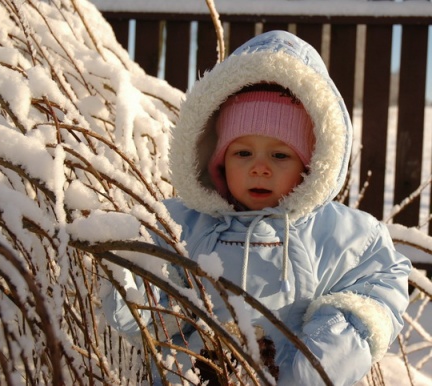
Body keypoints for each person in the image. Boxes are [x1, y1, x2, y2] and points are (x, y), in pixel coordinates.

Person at [102, 30, 411, 385]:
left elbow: (377, 289)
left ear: (312, 164)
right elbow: (140, 315)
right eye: (243, 153)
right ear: (218, 161)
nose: (259, 167)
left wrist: (321, 353)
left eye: (280, 155)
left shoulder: (343, 235)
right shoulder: (180, 226)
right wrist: (132, 276)